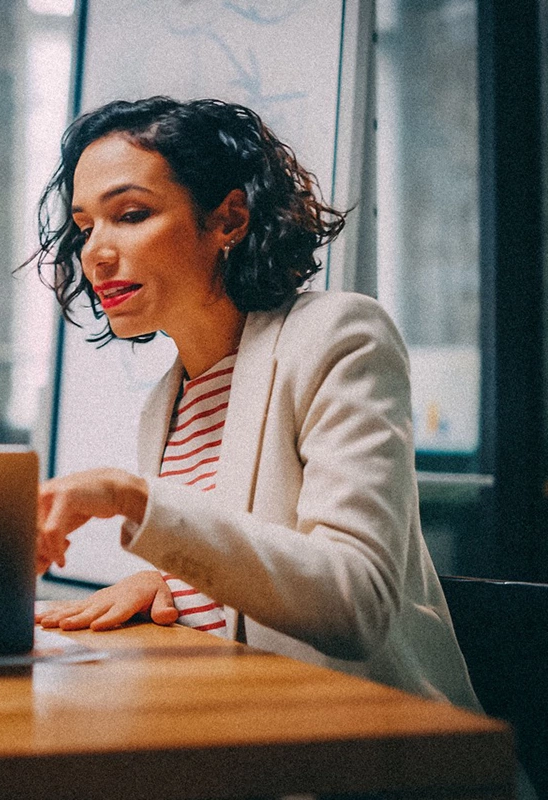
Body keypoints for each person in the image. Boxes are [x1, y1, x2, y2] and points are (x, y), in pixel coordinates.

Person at [30, 96, 479, 710]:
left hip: (377, 754)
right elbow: (244, 572)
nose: (95, 253)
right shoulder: (168, 400)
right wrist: (168, 581)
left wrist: (133, 498)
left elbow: (355, 604)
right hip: (242, 727)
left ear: (229, 220)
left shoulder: (340, 336)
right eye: (85, 227)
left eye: (130, 214)